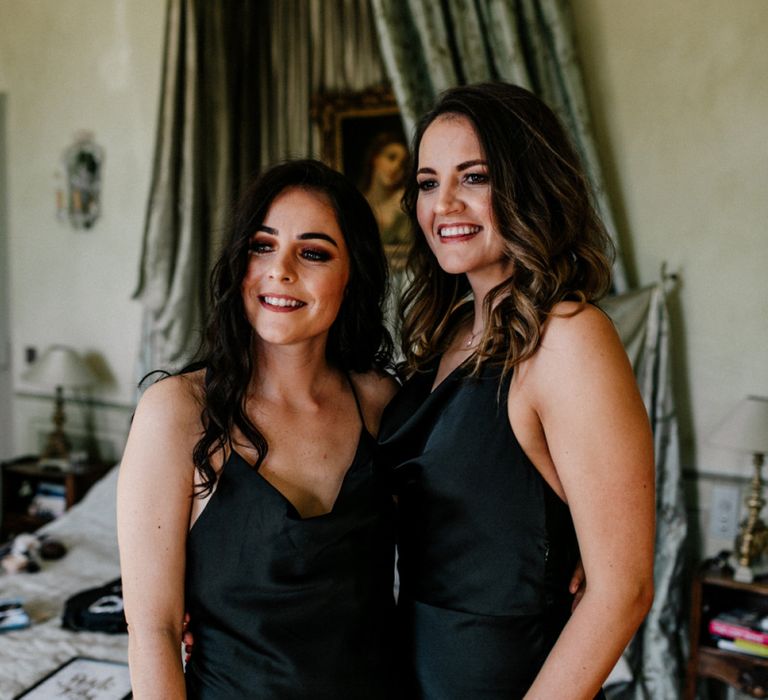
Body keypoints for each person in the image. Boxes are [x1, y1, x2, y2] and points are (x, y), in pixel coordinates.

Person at [378, 82, 655, 699]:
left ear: (528, 185)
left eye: (473, 177)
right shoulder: (443, 333)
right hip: (415, 671)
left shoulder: (570, 338)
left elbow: (623, 590)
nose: (443, 203)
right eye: (427, 182)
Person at [117, 160, 400, 699]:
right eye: (262, 245)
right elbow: (152, 632)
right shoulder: (177, 412)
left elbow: (462, 529)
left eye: (313, 252)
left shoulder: (381, 404)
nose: (281, 270)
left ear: (352, 274)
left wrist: (573, 544)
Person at [359, 131, 410, 248]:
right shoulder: (356, 204)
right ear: (375, 159)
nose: (396, 167)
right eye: (391, 158)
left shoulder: (404, 206)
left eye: (402, 165)